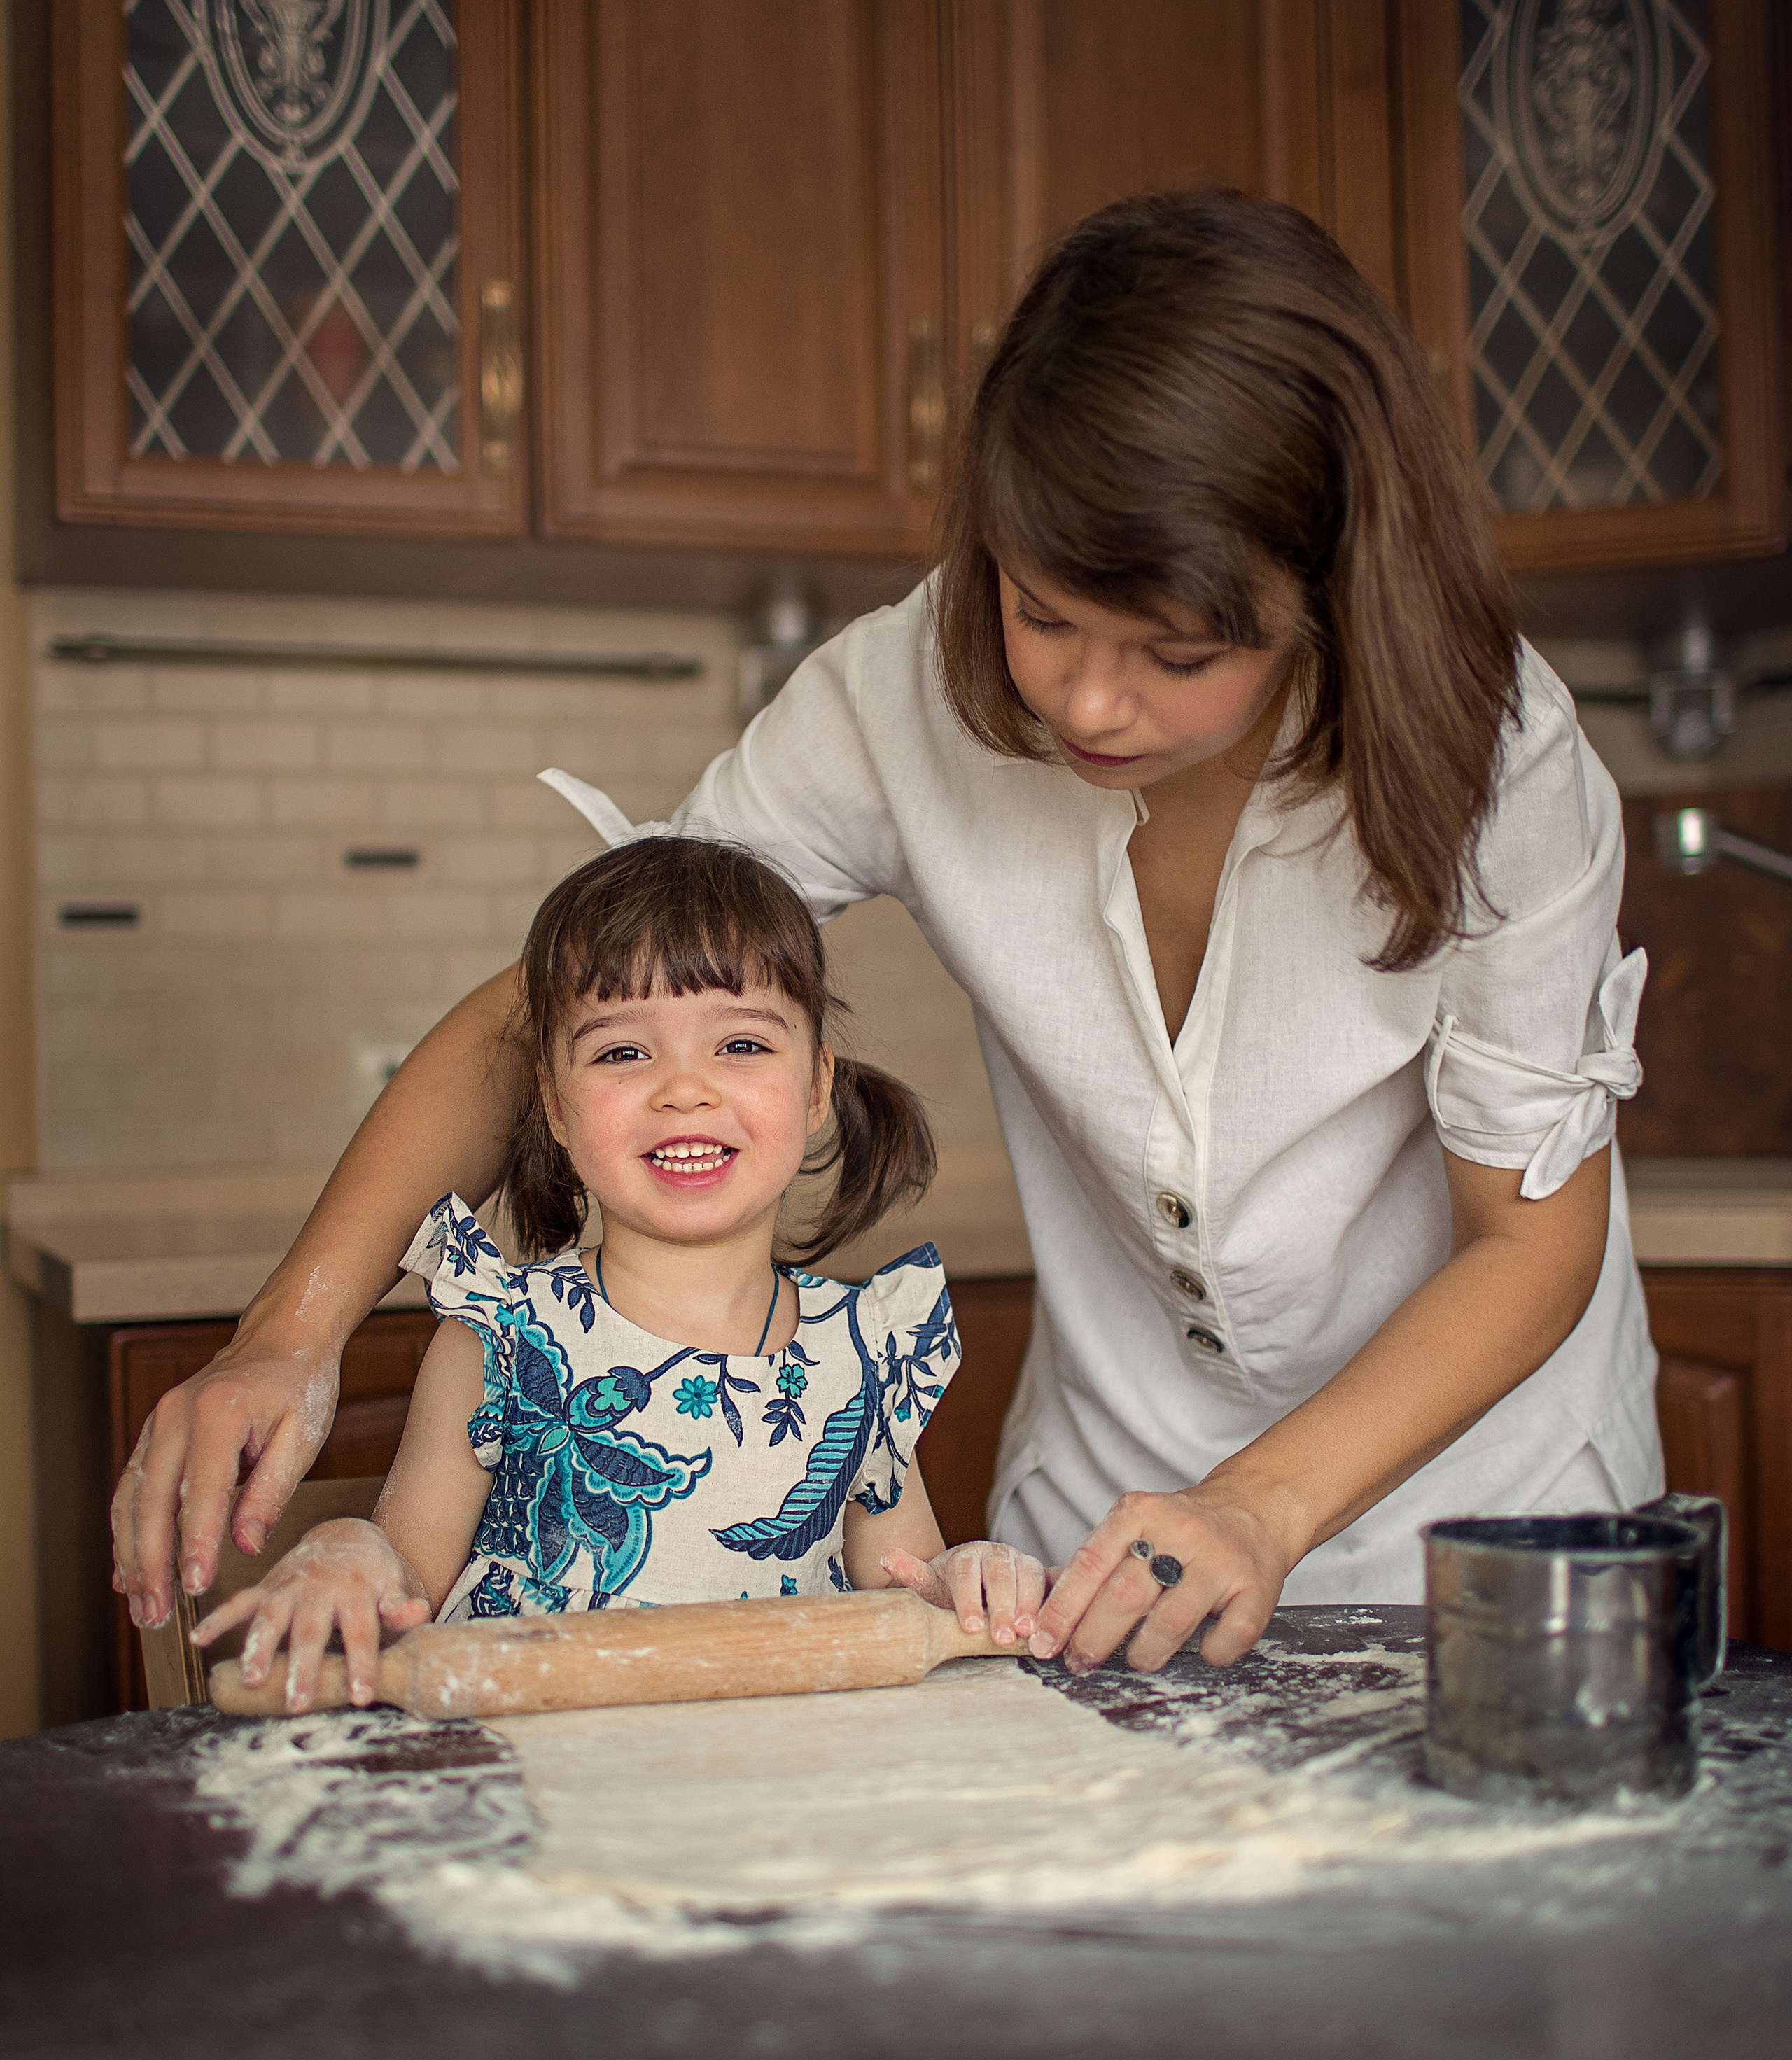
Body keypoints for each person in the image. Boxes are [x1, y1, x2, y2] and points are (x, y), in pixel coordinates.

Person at [117, 186, 1656, 1684]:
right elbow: (586, 993)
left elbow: (1527, 1241)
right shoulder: (893, 694)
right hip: (1099, 1535)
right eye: (1040, 613)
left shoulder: (1499, 766)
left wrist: (1262, 1501)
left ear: (1325, 593)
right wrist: (293, 1326)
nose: (1086, 702)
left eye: (1178, 652)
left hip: (1486, 1526)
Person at [190, 838, 1044, 1713]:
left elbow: (908, 1590)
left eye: (742, 1044)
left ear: (818, 1086)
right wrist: (349, 1550)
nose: (684, 1088)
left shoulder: (866, 1349)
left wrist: (966, 1575)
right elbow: (405, 1567)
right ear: (555, 1106)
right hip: (538, 1784)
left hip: (782, 1800)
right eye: (622, 1054)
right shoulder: (503, 1339)